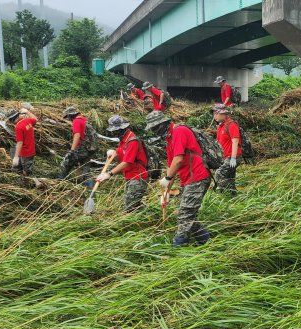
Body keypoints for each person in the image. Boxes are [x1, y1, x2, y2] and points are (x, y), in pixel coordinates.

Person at [145, 110, 211, 246]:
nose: (156, 131)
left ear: (164, 123)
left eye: (156, 128)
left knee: (184, 215)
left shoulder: (179, 131)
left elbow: (178, 160)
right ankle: (206, 241)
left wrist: (167, 178)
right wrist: (166, 192)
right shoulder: (169, 139)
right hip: (187, 179)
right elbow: (172, 166)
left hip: (197, 177)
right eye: (153, 129)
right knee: (184, 214)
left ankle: (178, 246)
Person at [97, 115, 149, 213]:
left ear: (123, 128)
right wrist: (113, 154)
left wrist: (109, 174)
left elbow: (126, 162)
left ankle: (147, 217)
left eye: (116, 130)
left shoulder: (132, 141)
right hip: (129, 176)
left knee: (128, 209)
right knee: (131, 205)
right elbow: (120, 157)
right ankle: (144, 213)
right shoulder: (123, 140)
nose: (115, 132)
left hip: (138, 177)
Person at [60, 106, 98, 184]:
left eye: (67, 116)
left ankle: (60, 182)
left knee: (66, 163)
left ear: (71, 115)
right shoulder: (84, 119)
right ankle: (91, 190)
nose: (67, 118)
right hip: (90, 148)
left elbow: (77, 135)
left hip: (82, 149)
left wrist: (72, 150)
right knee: (86, 172)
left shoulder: (76, 121)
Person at [212, 104, 241, 196]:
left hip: (232, 157)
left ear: (224, 114)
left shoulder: (231, 125)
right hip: (225, 157)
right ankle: (233, 195)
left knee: (219, 173)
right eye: (214, 114)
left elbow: (235, 141)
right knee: (230, 177)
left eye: (216, 113)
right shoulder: (220, 126)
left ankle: (225, 194)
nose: (215, 116)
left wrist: (233, 158)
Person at [7, 105, 37, 182]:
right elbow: (35, 119)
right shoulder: (27, 120)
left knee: (27, 171)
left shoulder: (18, 127)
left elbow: (20, 143)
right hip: (31, 149)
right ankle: (22, 178)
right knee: (21, 168)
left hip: (26, 152)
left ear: (12, 119)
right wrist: (28, 112)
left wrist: (16, 157)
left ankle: (30, 183)